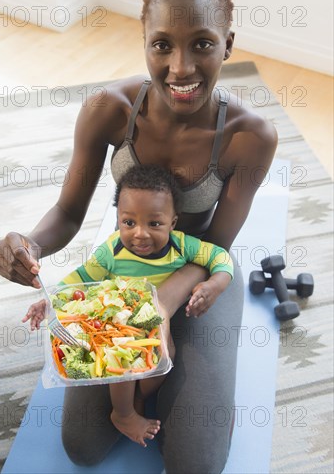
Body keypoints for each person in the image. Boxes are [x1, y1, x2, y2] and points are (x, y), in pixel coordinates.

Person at [0, 0, 277, 473]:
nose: (181, 68)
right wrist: (28, 243)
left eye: (203, 44)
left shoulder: (249, 137)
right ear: (144, 41)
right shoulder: (108, 109)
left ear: (228, 46)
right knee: (83, 445)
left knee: (195, 464)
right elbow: (67, 210)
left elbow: (219, 244)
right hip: (127, 266)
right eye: (162, 45)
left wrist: (162, 304)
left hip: (201, 271)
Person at [23, 164, 234, 447]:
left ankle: (139, 397)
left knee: (163, 357)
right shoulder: (111, 250)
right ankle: (122, 414)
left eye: (154, 223)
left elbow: (219, 256)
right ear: (118, 219)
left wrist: (216, 283)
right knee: (122, 362)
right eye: (129, 222)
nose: (140, 234)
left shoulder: (183, 246)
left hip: (158, 319)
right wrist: (49, 302)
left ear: (173, 222)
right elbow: (81, 279)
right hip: (118, 324)